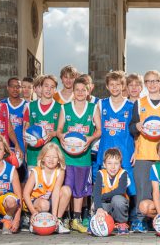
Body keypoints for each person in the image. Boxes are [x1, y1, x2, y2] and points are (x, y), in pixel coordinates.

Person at [129, 69, 160, 232]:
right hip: (143, 152)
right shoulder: (139, 103)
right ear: (145, 85)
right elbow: (131, 127)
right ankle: (141, 220)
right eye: (149, 81)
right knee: (142, 189)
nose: (152, 84)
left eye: (155, 81)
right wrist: (137, 127)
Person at [56, 75, 101, 233]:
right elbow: (59, 130)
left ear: (88, 91)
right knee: (67, 187)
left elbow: (99, 130)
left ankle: (76, 219)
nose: (80, 92)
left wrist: (90, 138)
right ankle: (63, 218)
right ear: (73, 91)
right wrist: (61, 136)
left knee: (80, 189)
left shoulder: (93, 107)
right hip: (67, 155)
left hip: (84, 156)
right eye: (77, 90)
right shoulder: (65, 108)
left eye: (83, 89)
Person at [93, 71, 136, 209]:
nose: (115, 87)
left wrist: (137, 151)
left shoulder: (131, 105)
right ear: (107, 86)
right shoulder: (101, 104)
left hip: (126, 152)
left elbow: (136, 132)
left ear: (123, 86)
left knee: (129, 187)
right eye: (112, 84)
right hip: (105, 152)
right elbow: (97, 129)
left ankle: (132, 218)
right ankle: (102, 213)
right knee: (103, 185)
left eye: (118, 84)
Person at [23, 142, 70, 234]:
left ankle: (57, 222)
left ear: (59, 160)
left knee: (66, 190)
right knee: (44, 204)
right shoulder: (36, 171)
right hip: (35, 203)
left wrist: (54, 216)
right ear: (43, 158)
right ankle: (35, 221)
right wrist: (33, 211)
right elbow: (25, 193)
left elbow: (56, 191)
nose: (51, 159)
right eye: (48, 156)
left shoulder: (60, 171)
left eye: (54, 157)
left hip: (49, 201)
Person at [23, 74, 61, 168]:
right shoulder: (30, 106)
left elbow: (63, 131)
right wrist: (25, 152)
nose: (48, 89)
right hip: (34, 153)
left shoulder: (61, 108)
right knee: (33, 181)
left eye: (52, 87)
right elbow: (25, 131)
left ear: (55, 90)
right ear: (41, 87)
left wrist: (53, 133)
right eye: (46, 86)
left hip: (52, 154)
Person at [92, 148, 131, 234]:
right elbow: (96, 192)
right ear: (104, 164)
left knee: (117, 199)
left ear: (120, 164)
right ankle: (97, 223)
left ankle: (122, 223)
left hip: (118, 206)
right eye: (109, 163)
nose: (113, 167)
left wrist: (101, 197)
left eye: (116, 163)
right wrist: (98, 207)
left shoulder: (123, 173)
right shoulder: (100, 174)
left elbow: (120, 190)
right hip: (105, 205)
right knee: (99, 206)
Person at [2, 77, 28, 184]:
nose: (15, 89)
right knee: (6, 180)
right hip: (5, 148)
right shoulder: (2, 104)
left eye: (18, 86)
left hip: (21, 149)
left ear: (21, 88)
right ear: (7, 88)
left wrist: (25, 150)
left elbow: (28, 129)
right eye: (12, 86)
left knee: (22, 180)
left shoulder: (27, 105)